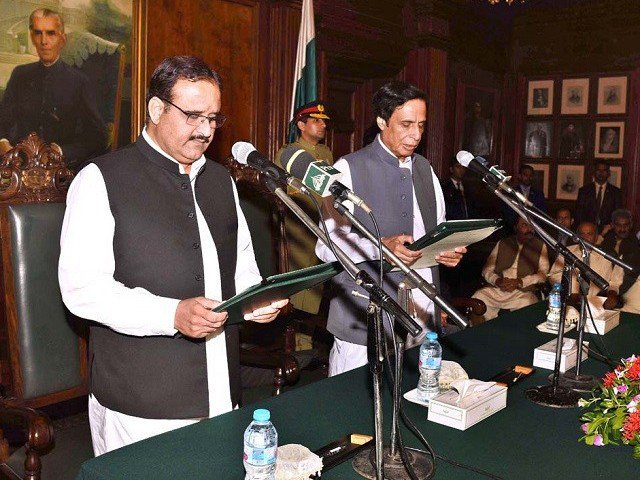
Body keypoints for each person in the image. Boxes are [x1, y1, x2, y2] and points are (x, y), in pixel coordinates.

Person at [58, 56, 288, 455]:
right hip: (140, 407)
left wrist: (257, 300)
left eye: (214, 119)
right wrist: (172, 315)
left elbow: (243, 271)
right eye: (193, 116)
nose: (205, 131)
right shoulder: (101, 179)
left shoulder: (222, 182)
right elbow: (82, 289)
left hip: (222, 391)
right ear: (155, 109)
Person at [316, 80, 465, 376]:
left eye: (421, 125)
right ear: (382, 121)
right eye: (406, 124)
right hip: (364, 316)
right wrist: (380, 247)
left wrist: (447, 249)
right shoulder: (347, 169)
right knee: (352, 410)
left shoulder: (426, 170)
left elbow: (435, 231)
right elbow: (325, 245)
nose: (416, 135)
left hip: (422, 315)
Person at [0, 8, 107, 170]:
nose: (44, 41)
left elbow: (98, 138)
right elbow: (3, 122)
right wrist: (3, 142)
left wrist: (62, 151)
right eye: (38, 33)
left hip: (61, 172)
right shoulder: (19, 75)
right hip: (18, 168)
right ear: (32, 37)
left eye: (51, 34)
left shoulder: (80, 82)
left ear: (62, 40)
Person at [274, 101, 332, 313]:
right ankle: (299, 340)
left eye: (324, 122)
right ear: (301, 124)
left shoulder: (325, 153)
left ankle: (305, 336)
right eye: (316, 121)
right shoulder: (289, 153)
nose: (322, 125)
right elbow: (276, 189)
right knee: (301, 280)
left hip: (323, 222)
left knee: (318, 279)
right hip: (298, 224)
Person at [472, 217, 549, 322]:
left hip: (522, 291)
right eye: (524, 225)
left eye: (531, 225)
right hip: (499, 288)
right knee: (478, 297)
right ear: (516, 227)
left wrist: (520, 282)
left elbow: (543, 275)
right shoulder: (503, 243)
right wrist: (497, 281)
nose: (529, 229)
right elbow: (487, 270)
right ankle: (482, 333)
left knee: (527, 303)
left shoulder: (540, 245)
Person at [548, 221, 622, 309]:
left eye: (589, 234)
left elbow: (614, 283)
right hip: (567, 303)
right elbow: (554, 277)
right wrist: (569, 293)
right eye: (582, 234)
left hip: (596, 305)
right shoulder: (566, 252)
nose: (585, 237)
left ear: (596, 237)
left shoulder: (606, 257)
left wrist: (612, 294)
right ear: (576, 237)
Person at [599, 209, 640, 313]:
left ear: (631, 225)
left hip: (626, 292)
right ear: (612, 225)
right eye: (618, 225)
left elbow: (630, 275)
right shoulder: (605, 242)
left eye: (626, 225)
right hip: (603, 289)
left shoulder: (635, 245)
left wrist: (613, 294)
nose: (622, 228)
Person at [574, 160, 622, 233]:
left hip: (608, 232)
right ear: (594, 172)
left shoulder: (616, 192)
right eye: (598, 170)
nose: (601, 173)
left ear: (609, 173)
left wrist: (610, 226)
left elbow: (617, 215)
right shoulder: (584, 191)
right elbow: (579, 213)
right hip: (587, 232)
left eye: (604, 170)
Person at [503, 164, 546, 229]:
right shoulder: (511, 192)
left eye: (531, 175)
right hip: (515, 229)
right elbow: (508, 213)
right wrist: (516, 226)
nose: (528, 178)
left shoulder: (538, 193)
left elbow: (542, 213)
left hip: (534, 229)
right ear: (519, 176)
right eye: (525, 175)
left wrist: (534, 227)